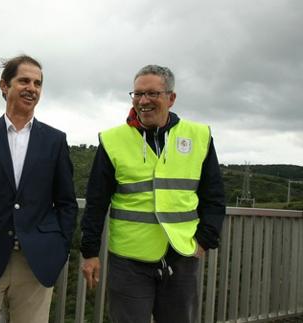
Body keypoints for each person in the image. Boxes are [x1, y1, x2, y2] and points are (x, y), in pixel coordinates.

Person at [80, 65, 226, 323]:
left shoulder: (199, 136)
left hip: (181, 255)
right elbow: (96, 202)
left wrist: (204, 241)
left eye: (152, 94)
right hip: (129, 260)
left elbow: (213, 195)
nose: (143, 101)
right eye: (137, 94)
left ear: (171, 98)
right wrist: (90, 252)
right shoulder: (113, 140)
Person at [0, 54, 78, 323]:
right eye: (24, 80)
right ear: (4, 85)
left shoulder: (55, 141)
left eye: (37, 83)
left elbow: (66, 202)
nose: (32, 88)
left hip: (36, 263)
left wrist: (59, 247)